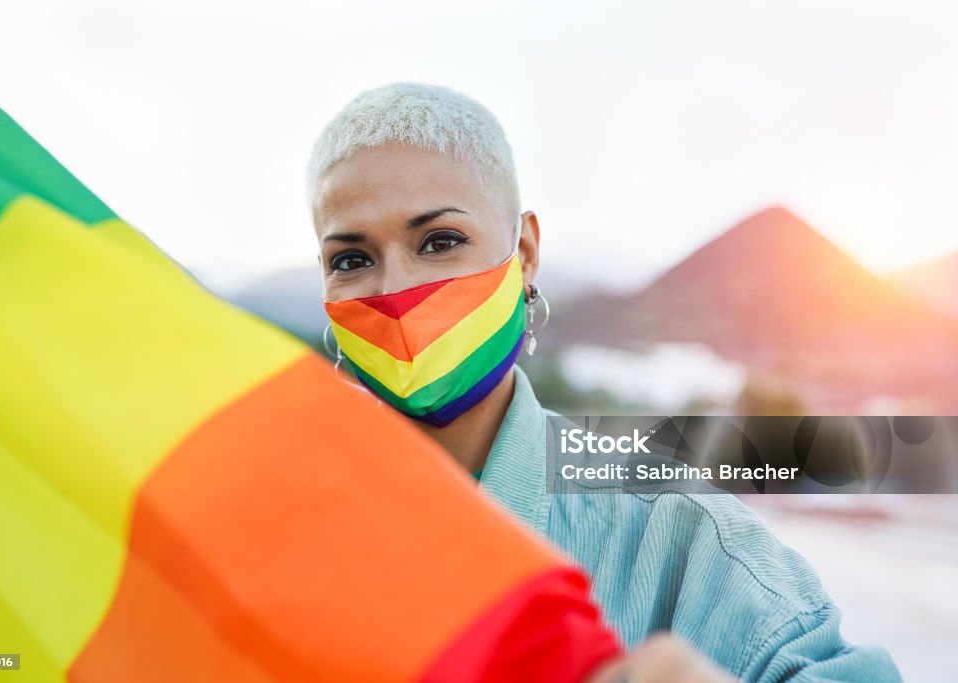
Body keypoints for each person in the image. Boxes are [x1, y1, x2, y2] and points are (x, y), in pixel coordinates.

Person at [306, 83, 901, 681]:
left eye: (441, 242)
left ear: (525, 254)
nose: (396, 293)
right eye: (352, 260)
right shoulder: (280, 522)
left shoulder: (680, 536)